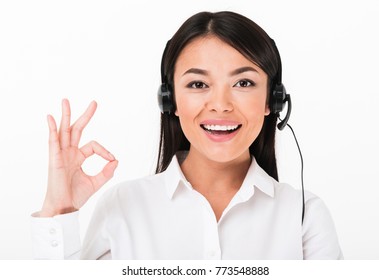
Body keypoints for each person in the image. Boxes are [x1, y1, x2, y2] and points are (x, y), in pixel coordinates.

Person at [31, 11, 343, 259]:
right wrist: (59, 211)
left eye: (244, 83)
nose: (220, 105)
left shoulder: (304, 216)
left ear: (272, 101)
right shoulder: (122, 207)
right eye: (197, 84)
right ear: (170, 101)